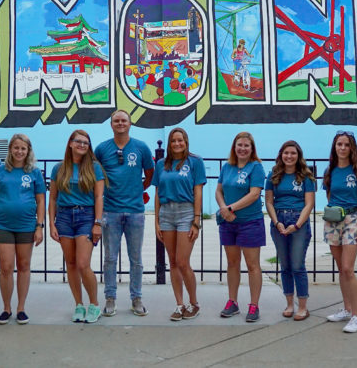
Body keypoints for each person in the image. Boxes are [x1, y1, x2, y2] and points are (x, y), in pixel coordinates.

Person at [94, 109, 154, 317]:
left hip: (135, 211)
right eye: (116, 121)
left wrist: (139, 189)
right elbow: (94, 174)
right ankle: (110, 298)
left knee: (135, 258)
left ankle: (136, 298)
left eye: (123, 120)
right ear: (111, 125)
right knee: (110, 258)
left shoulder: (141, 147)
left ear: (130, 124)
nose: (120, 123)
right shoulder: (102, 149)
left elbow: (149, 173)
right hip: (110, 211)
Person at [0, 134, 45, 325]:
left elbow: (41, 200)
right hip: (3, 225)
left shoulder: (35, 173)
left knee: (24, 266)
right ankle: (6, 308)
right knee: (6, 267)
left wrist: (39, 226)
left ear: (28, 151)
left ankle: (21, 308)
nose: (19, 151)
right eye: (16, 148)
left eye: (23, 148)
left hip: (27, 226)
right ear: (10, 149)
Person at [49, 130, 105, 323]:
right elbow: (53, 198)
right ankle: (79, 305)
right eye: (78, 141)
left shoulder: (94, 168)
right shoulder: (58, 168)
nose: (82, 145)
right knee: (71, 264)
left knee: (83, 263)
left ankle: (94, 305)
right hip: (64, 217)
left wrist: (98, 223)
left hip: (86, 216)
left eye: (86, 143)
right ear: (70, 143)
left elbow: (99, 196)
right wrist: (51, 223)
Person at [152, 128, 206, 321]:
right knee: (173, 262)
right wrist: (156, 221)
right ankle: (179, 304)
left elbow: (198, 191)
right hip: (167, 213)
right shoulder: (161, 164)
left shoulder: (195, 162)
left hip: (186, 212)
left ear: (186, 142)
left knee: (183, 262)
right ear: (169, 143)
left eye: (180, 140)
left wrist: (196, 220)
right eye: (173, 141)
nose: (177, 144)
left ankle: (194, 303)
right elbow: (158, 193)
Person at [323, 131, 357, 333]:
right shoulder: (331, 170)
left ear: (352, 148)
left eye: (346, 144)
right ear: (334, 147)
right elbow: (329, 195)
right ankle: (346, 308)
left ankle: (356, 316)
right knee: (340, 268)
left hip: (353, 219)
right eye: (339, 144)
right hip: (333, 220)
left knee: (348, 268)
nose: (342, 148)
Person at [215, 132, 266, 322]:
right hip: (228, 223)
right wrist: (223, 208)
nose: (242, 148)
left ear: (252, 149)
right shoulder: (227, 167)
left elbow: (254, 195)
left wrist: (231, 208)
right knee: (232, 264)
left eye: (246, 145)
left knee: (252, 265)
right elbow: (219, 190)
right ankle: (232, 302)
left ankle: (253, 305)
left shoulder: (256, 168)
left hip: (250, 222)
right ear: (234, 147)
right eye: (239, 145)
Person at [265, 140, 315, 321]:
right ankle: (289, 304)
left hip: (298, 221)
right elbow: (269, 201)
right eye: (286, 153)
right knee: (285, 266)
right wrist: (277, 222)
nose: (289, 156)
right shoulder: (273, 175)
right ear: (281, 155)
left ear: (298, 156)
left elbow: (309, 203)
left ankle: (303, 307)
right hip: (278, 220)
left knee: (297, 265)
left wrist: (297, 225)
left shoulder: (306, 177)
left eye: (293, 153)